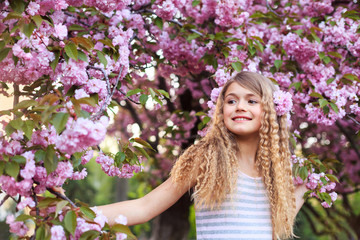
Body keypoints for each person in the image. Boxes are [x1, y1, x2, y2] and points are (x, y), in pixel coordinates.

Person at [97, 71, 308, 239]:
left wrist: (306, 188)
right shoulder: (208, 158)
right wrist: (78, 214)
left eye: (252, 101)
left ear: (271, 110)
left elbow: (272, 230)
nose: (240, 107)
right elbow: (145, 207)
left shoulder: (275, 171)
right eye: (231, 101)